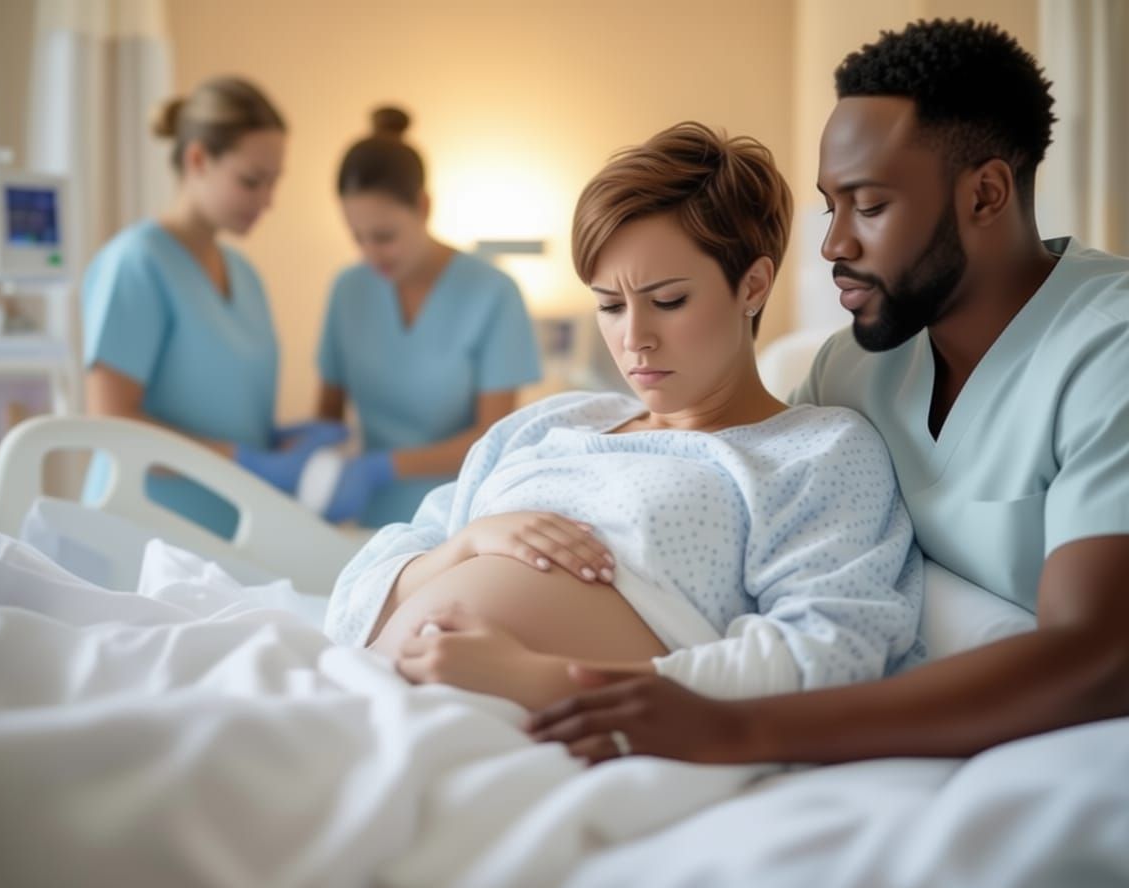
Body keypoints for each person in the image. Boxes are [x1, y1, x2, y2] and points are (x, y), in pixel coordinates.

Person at [528, 19, 1129, 763]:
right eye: (830, 207)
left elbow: (1099, 658)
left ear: (986, 194)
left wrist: (738, 726)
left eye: (869, 207)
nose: (833, 245)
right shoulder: (852, 368)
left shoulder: (1110, 350)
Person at [325, 122, 924, 712]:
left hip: (540, 731)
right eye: (609, 305)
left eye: (668, 301)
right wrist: (463, 546)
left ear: (754, 286)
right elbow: (353, 596)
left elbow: (827, 655)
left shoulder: (816, 453)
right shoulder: (552, 424)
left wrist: (546, 680)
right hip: (361, 688)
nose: (635, 338)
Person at [81, 76, 346, 538]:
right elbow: (110, 420)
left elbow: (228, 414)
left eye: (274, 182)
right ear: (198, 159)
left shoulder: (244, 275)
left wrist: (278, 446)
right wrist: (242, 461)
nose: (268, 201)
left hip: (226, 537)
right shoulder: (138, 263)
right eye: (251, 181)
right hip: (140, 534)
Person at [313, 106, 542, 528]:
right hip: (364, 521)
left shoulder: (493, 293)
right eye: (357, 237)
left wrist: (384, 465)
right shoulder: (348, 290)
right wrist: (313, 460)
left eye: (384, 236)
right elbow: (327, 419)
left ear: (423, 206)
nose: (369, 253)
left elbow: (494, 438)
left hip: (458, 519)